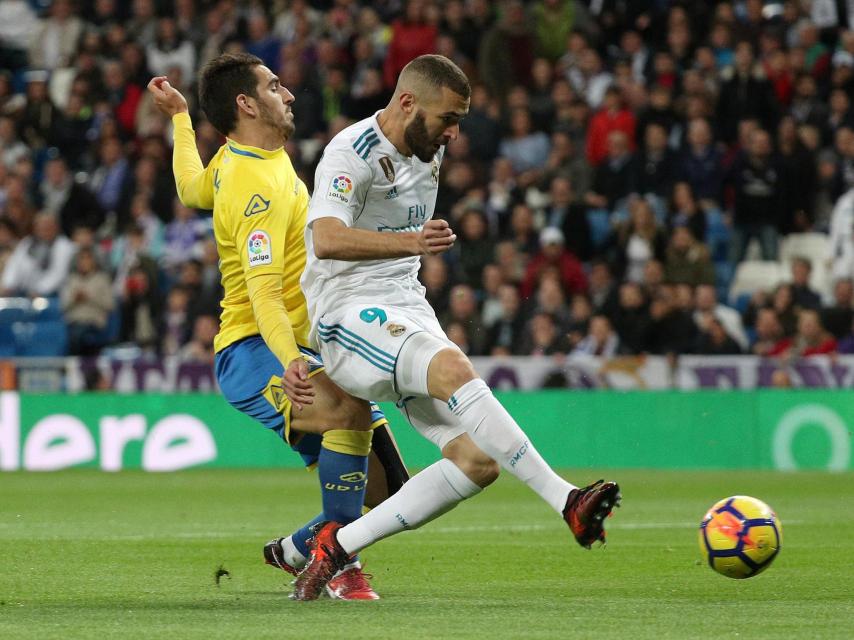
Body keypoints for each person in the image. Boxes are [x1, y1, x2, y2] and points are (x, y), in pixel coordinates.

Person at [293, 54, 620, 600]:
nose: (453, 132)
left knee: (477, 462)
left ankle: (339, 545)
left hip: (406, 307)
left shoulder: (431, 149)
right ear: (406, 103)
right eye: (447, 118)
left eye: (459, 120)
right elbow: (325, 238)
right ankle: (566, 500)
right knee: (452, 366)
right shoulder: (351, 153)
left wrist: (410, 257)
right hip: (345, 314)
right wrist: (410, 242)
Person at [147, 53, 414, 600]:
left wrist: (178, 119)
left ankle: (297, 550)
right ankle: (340, 566)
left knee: (391, 496)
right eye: (274, 86)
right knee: (348, 410)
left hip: (290, 344)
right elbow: (264, 292)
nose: (288, 94)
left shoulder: (235, 159)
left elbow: (192, 190)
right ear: (246, 104)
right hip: (254, 349)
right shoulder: (256, 186)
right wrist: (293, 357)